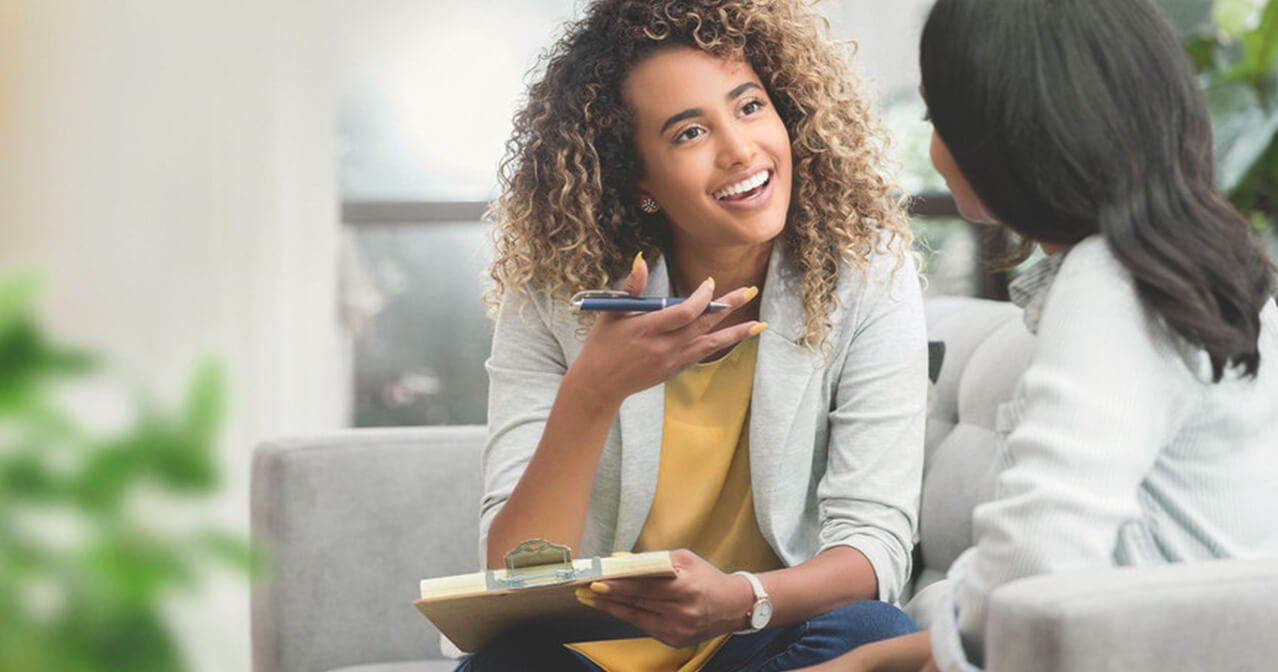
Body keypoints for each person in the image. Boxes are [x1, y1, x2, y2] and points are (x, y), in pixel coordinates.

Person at [796, 1, 1278, 671]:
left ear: (1006, 138)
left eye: (939, 120)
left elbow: (1035, 564)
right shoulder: (1206, 266)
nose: (936, 149)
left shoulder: (1111, 287)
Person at [458, 0, 929, 670]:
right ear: (639, 178)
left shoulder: (866, 275)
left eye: (748, 107)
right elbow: (515, 574)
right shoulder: (554, 297)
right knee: (509, 660)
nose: (740, 150)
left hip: (758, 636)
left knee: (873, 631)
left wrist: (739, 599)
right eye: (688, 133)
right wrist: (595, 390)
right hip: (597, 651)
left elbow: (875, 545)